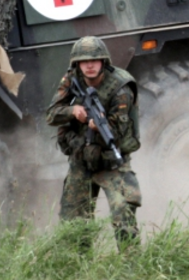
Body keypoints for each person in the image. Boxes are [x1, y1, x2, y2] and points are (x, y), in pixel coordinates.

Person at [45, 36, 142, 250]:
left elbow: (119, 131)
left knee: (123, 215)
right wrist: (73, 111)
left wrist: (99, 125)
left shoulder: (120, 87)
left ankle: (132, 267)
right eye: (84, 61)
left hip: (112, 161)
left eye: (95, 60)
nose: (89, 65)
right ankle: (78, 271)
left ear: (103, 62)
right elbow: (50, 115)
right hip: (82, 160)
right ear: (77, 64)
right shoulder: (72, 80)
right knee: (73, 225)